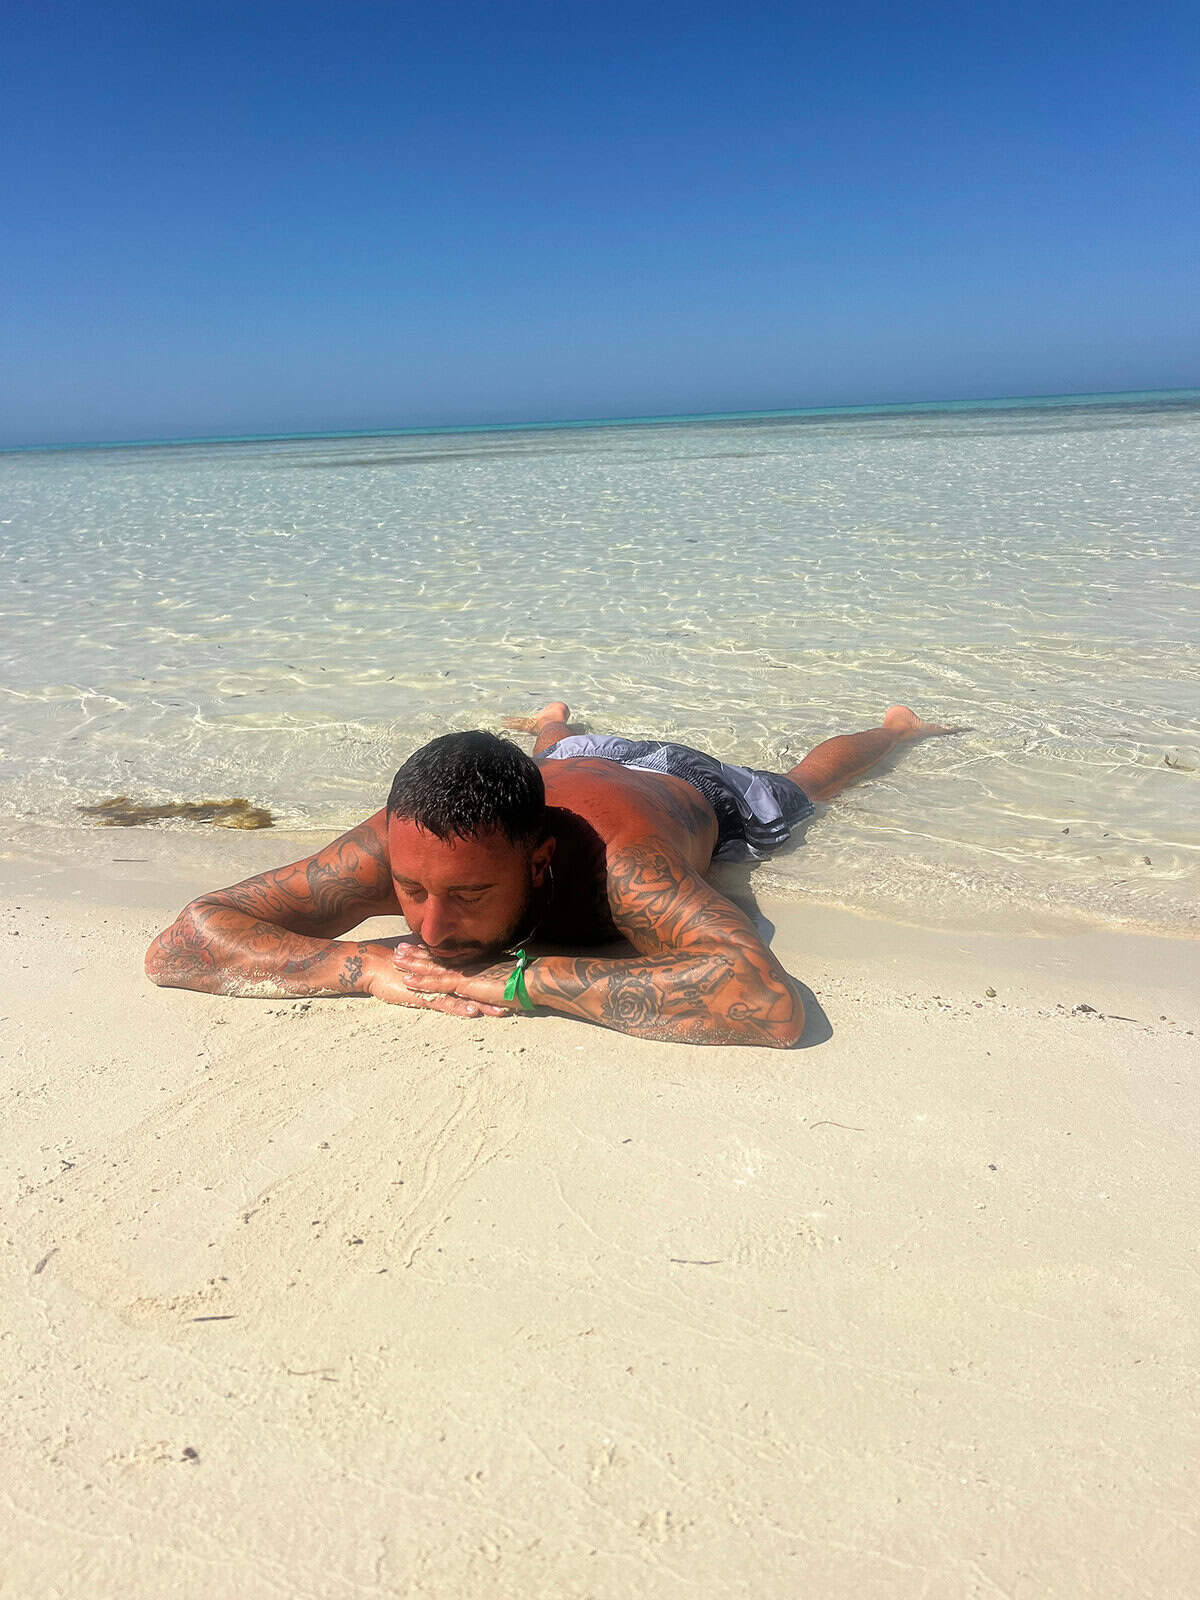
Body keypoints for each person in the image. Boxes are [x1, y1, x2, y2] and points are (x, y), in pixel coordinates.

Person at [145, 701, 966, 1047]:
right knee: (551, 755)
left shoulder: (627, 871)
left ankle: (896, 727)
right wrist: (362, 965)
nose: (429, 928)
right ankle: (553, 724)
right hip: (571, 764)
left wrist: (516, 980)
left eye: (468, 895)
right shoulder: (398, 843)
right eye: (413, 893)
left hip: (687, 787)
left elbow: (766, 1004)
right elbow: (183, 941)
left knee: (805, 787)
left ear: (540, 864)